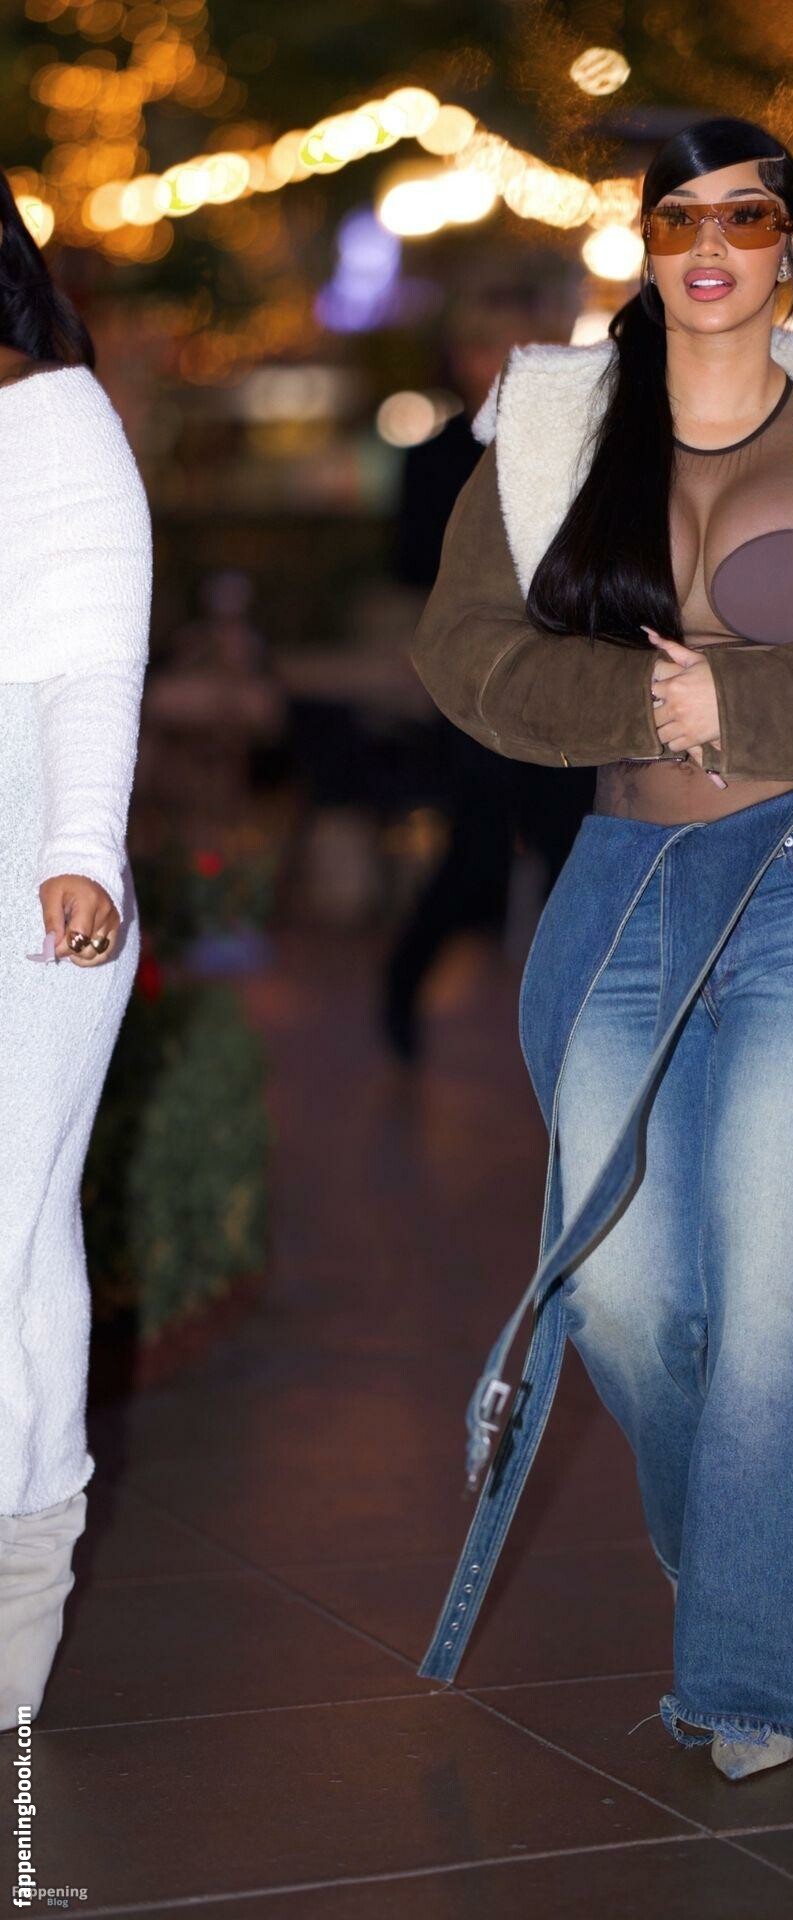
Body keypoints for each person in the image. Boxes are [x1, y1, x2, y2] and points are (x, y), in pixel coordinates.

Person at [407, 116, 793, 1775]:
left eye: (745, 215)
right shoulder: (549, 422)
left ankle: (741, 1672)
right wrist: (643, 705)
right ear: (645, 246)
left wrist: (742, 701)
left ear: (790, 243)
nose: (712, 244)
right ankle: (734, 1542)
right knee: (611, 1283)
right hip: (622, 869)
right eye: (678, 218)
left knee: (772, 1269)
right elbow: (461, 647)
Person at [0, 172, 151, 1729]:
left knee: (4, 1221)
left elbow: (92, 663)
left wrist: (78, 855)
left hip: (29, 882)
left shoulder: (51, 421)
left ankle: (15, 1588)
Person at [383, 299, 595, 1060]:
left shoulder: (577, 447)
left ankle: (581, 1031)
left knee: (573, 847)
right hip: (475, 688)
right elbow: (415, 566)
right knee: (475, 854)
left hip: (564, 688)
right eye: (487, 347)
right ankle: (402, 993)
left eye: (520, 346)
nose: (504, 363)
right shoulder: (437, 457)